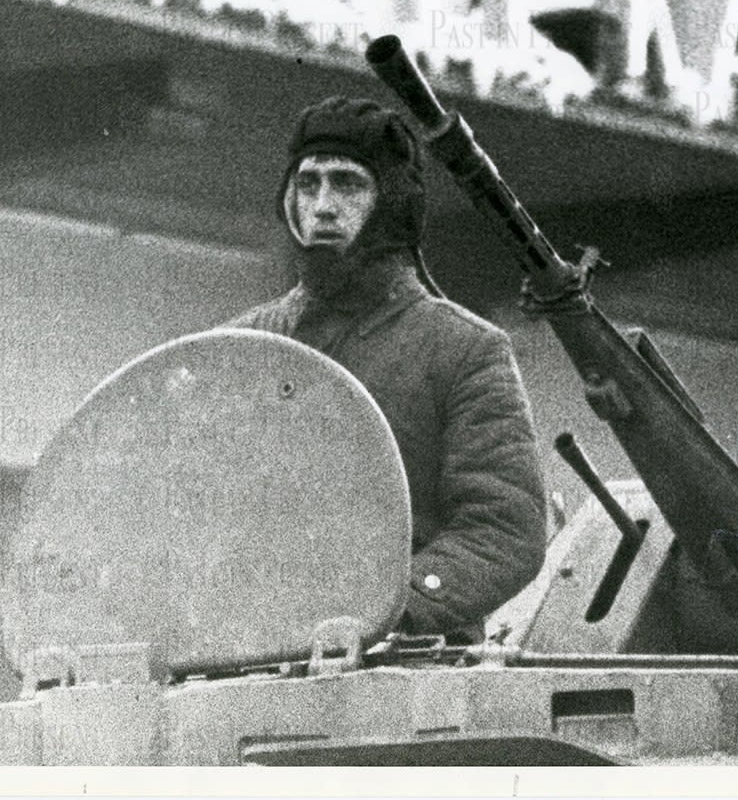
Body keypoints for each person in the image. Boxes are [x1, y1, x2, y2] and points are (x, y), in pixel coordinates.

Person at [224, 96, 547, 639]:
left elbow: (503, 530)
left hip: (406, 660)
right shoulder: (239, 347)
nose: (323, 206)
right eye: (308, 184)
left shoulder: (464, 350)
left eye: (348, 185)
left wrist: (387, 612)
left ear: (391, 203)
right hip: (244, 653)